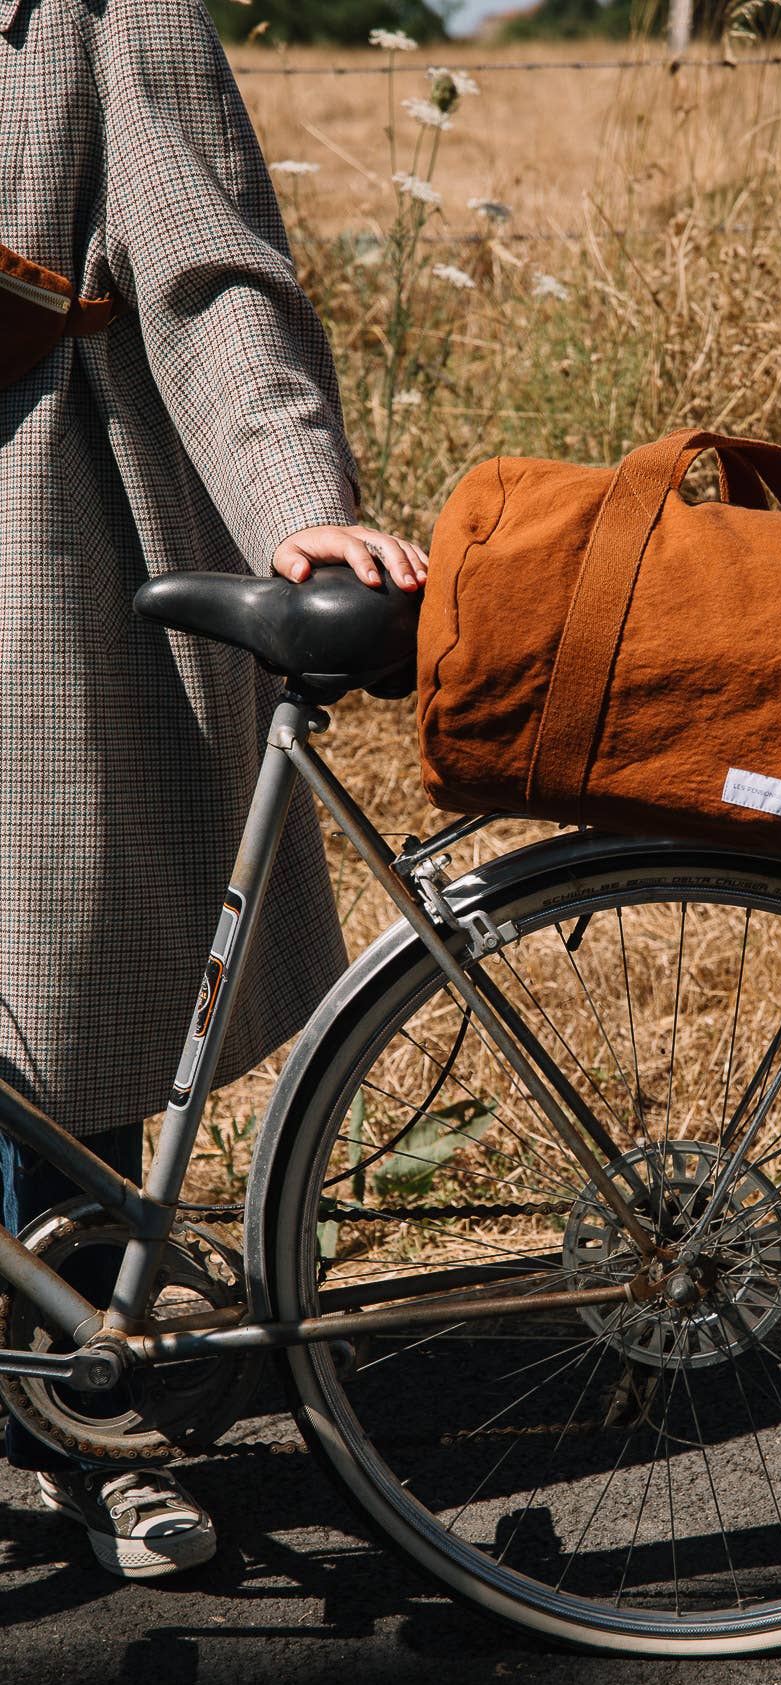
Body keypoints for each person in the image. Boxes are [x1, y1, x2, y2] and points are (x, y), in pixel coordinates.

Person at [0, 0, 426, 1578]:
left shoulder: (103, 10)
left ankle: (88, 1426)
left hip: (40, 547)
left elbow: (208, 272)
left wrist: (299, 507)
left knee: (51, 1012)